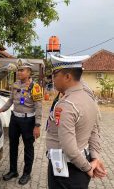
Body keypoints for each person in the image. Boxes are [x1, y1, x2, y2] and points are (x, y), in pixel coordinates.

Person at [46, 54, 107, 189]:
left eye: (55, 74)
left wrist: (88, 168)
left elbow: (69, 148)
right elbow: (94, 129)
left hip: (67, 170)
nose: (52, 79)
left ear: (67, 77)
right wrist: (95, 158)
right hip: (80, 165)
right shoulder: (89, 97)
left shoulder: (67, 105)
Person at [0, 59, 43, 185]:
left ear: (29, 72)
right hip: (15, 119)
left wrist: (37, 125)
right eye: (18, 70)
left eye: (22, 70)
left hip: (28, 121)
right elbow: (10, 101)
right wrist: (0, 110)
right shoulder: (15, 84)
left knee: (28, 148)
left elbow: (38, 107)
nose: (19, 72)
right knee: (13, 146)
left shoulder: (35, 87)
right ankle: (13, 170)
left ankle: (27, 173)